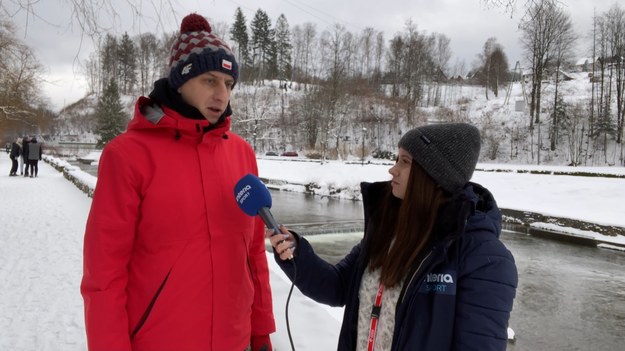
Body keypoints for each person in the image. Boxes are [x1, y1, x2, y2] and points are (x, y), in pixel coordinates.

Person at [80, 13, 275, 351]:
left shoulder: (242, 154)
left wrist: (260, 334)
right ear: (180, 80)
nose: (221, 95)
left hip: (236, 341)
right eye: (210, 80)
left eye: (228, 85)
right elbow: (104, 276)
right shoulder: (127, 156)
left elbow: (254, 254)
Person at [269, 123, 518, 351]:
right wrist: (297, 254)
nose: (393, 169)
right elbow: (337, 287)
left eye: (405, 162)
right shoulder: (388, 232)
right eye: (396, 159)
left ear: (434, 176)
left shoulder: (485, 258)